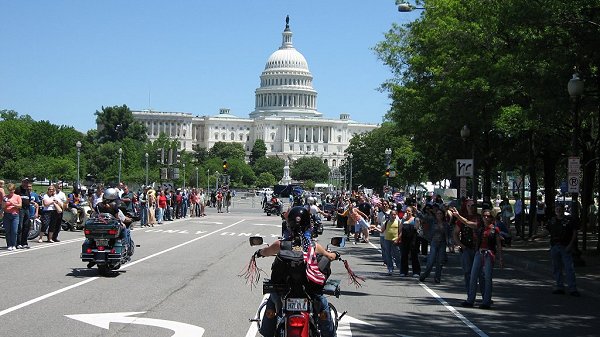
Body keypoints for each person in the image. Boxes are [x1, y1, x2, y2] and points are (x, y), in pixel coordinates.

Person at [254, 206, 338, 337]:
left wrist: (259, 252)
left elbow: (265, 252)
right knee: (323, 307)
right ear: (308, 225)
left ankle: (267, 330)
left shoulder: (280, 244)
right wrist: (335, 254)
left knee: (272, 301)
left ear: (289, 224)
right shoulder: (313, 246)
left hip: (284, 290)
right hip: (309, 291)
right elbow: (329, 256)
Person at [461, 209, 503, 309]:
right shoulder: (479, 227)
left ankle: (486, 302)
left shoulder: (494, 229)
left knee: (487, 278)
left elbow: (498, 244)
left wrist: (500, 258)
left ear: (491, 218)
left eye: (488, 216)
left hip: (489, 254)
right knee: (473, 276)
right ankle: (470, 300)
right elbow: (466, 222)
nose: (486, 218)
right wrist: (457, 215)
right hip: (479, 253)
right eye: (484, 216)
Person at [89, 187, 133, 268]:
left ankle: (93, 256)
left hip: (99, 227)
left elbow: (93, 215)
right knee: (125, 230)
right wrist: (124, 221)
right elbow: (117, 218)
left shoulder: (98, 205)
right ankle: (126, 245)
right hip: (110, 227)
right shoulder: (114, 206)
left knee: (91, 237)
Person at [451, 199, 483, 296]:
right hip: (466, 249)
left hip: (479, 249)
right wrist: (461, 246)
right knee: (467, 273)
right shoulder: (462, 219)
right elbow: (455, 233)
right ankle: (470, 295)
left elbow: (474, 225)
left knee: (481, 274)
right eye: (470, 205)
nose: (473, 207)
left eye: (474, 206)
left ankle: (485, 296)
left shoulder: (479, 218)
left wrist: (458, 217)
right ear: (466, 206)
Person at [547, 204, 580, 296]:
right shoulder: (552, 220)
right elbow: (548, 231)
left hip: (565, 246)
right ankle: (559, 286)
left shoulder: (569, 220)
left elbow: (574, 233)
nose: (558, 211)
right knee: (556, 268)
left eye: (560, 209)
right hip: (554, 246)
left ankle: (573, 289)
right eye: (557, 209)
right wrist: (536, 235)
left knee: (569, 268)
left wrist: (570, 245)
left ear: (563, 210)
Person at [420, 208, 450, 283]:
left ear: (443, 215)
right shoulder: (432, 221)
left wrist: (449, 243)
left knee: (440, 262)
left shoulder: (446, 224)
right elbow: (423, 217)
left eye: (440, 214)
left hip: (442, 243)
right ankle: (425, 275)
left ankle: (437, 277)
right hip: (434, 242)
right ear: (436, 215)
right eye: (438, 214)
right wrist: (415, 210)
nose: (439, 215)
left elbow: (448, 235)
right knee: (431, 260)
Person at [399, 205, 421, 277]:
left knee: (414, 255)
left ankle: (416, 271)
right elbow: (400, 229)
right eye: (406, 211)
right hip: (405, 240)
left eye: (409, 211)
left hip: (413, 240)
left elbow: (417, 228)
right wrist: (403, 220)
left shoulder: (415, 219)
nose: (407, 212)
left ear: (412, 212)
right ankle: (403, 271)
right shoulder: (403, 220)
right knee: (404, 255)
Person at [3, 183, 22, 250]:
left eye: (12, 190)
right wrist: (4, 203)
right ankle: (9, 245)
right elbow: (3, 206)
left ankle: (14, 244)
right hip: (7, 215)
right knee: (7, 231)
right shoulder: (5, 197)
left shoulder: (17, 197)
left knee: (14, 231)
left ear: (14, 189)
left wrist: (13, 203)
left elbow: (20, 206)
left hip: (15, 215)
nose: (11, 191)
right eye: (9, 190)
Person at [16, 178, 33, 249]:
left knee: (26, 226)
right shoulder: (18, 189)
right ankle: (18, 243)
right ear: (22, 182)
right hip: (20, 209)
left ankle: (24, 242)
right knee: (20, 226)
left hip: (27, 209)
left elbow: (28, 199)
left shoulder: (27, 190)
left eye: (27, 183)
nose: (26, 184)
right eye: (25, 182)